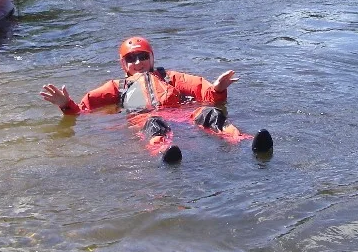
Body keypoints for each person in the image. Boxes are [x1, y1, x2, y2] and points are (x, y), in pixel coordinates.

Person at [40, 37, 273, 164]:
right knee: (154, 124)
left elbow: (205, 92)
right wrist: (64, 104)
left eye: (143, 56)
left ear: (152, 58)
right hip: (144, 117)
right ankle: (165, 152)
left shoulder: (169, 77)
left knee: (210, 114)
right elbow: (82, 111)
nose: (138, 62)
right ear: (123, 64)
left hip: (181, 112)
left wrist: (219, 89)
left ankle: (243, 141)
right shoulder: (117, 86)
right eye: (131, 58)